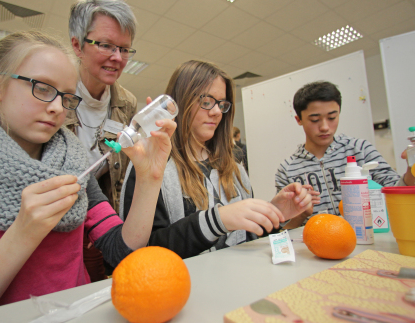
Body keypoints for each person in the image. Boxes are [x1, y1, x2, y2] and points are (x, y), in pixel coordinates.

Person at [0, 31, 175, 322]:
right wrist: (23, 234)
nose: (56, 107)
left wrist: (149, 177)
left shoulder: (75, 168)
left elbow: (122, 250)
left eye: (66, 97)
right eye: (41, 88)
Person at [120, 60, 312, 259]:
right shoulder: (151, 165)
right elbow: (141, 253)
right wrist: (216, 221)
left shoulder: (235, 166)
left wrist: (274, 214)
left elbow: (247, 241)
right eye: (206, 101)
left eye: (221, 104)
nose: (217, 112)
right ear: (179, 102)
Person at [275, 81, 411, 229]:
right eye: (315, 120)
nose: (325, 127)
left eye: (332, 117)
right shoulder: (287, 169)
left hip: (369, 237)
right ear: (299, 120)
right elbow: (283, 229)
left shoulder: (360, 150)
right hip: (317, 245)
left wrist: (412, 170)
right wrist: (301, 214)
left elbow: (399, 191)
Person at [66, 0, 137, 213]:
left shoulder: (126, 104)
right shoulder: (55, 95)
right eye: (106, 45)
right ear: (78, 46)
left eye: (124, 49)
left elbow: (120, 179)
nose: (117, 57)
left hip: (99, 217)